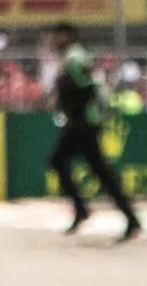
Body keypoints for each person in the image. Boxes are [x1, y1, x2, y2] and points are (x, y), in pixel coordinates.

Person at [43, 22, 141, 240]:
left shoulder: (75, 58)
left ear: (66, 36)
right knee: (94, 170)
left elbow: (91, 87)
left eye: (56, 36)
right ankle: (122, 216)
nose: (52, 40)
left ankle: (92, 211)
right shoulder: (71, 57)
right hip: (81, 122)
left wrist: (79, 114)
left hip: (83, 123)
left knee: (68, 163)